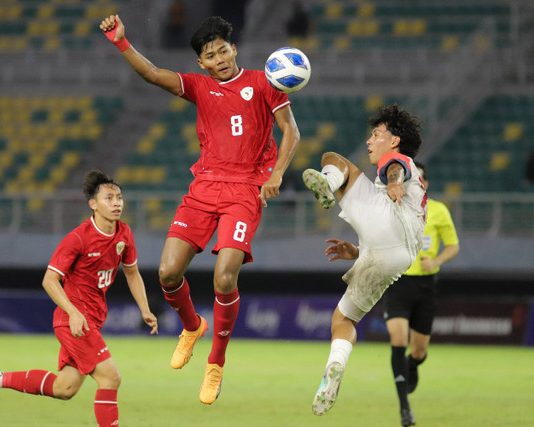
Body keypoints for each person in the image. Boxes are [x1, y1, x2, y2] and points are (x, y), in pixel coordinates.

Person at [100, 15, 300, 404]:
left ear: (234, 49)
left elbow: (291, 130)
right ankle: (192, 327)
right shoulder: (200, 87)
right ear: (202, 64)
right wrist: (122, 42)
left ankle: (215, 363)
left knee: (225, 277)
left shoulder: (265, 82)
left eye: (224, 50)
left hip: (246, 190)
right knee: (167, 271)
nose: (220, 58)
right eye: (211, 55)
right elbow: (153, 74)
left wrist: (276, 175)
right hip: (204, 187)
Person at [0, 169, 158, 427]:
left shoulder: (124, 234)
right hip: (75, 321)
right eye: (109, 198)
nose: (116, 203)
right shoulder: (78, 238)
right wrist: (73, 312)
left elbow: (132, 273)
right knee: (111, 378)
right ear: (93, 204)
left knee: (64, 387)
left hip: (93, 318)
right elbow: (49, 279)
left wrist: (144, 309)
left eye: (119, 198)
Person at [301, 104, 426, 417]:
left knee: (333, 160)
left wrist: (394, 181)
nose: (370, 141)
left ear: (394, 139)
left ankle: (328, 184)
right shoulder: (408, 180)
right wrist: (358, 252)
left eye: (376, 134)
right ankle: (334, 367)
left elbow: (394, 166)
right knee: (343, 320)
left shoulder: (399, 161)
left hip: (389, 221)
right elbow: (388, 237)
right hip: (398, 255)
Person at [383, 161, 460, 427]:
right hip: (398, 282)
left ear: (424, 184)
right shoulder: (393, 208)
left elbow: (453, 246)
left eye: (420, 179)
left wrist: (437, 261)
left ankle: (413, 365)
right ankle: (405, 408)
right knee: (398, 337)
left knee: (418, 351)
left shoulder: (438, 211)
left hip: (426, 286)